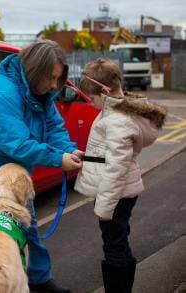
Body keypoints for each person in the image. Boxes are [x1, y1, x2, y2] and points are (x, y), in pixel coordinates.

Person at [0, 40, 83, 293]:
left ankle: (40, 281)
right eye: (51, 78)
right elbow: (17, 144)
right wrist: (57, 159)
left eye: (58, 79)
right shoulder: (0, 92)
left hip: (10, 172)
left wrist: (68, 149)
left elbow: (53, 127)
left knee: (26, 226)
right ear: (35, 70)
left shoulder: (39, 91)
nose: (55, 85)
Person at [74, 58, 167, 293]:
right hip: (122, 191)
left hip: (117, 193)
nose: (91, 103)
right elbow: (109, 155)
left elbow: (116, 168)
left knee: (114, 246)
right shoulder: (118, 111)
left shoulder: (117, 120)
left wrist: (104, 207)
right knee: (119, 239)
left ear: (104, 91)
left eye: (93, 98)